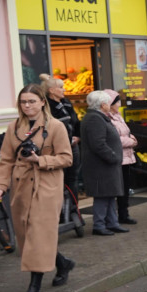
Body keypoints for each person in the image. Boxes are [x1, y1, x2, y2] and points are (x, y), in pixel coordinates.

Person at [0, 84, 75, 292]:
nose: (27, 106)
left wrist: (40, 160)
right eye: (23, 102)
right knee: (31, 236)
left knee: (38, 233)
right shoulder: (13, 128)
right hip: (20, 188)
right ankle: (63, 263)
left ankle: (34, 288)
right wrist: (0, 185)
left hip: (46, 187)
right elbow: (7, 160)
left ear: (42, 102)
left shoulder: (55, 126)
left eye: (31, 101)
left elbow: (67, 159)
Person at [80, 91, 127, 236]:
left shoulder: (98, 117)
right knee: (102, 196)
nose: (110, 105)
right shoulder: (95, 119)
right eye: (108, 102)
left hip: (106, 165)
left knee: (110, 194)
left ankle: (112, 223)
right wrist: (113, 157)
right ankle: (99, 225)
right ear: (102, 105)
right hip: (100, 166)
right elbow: (98, 144)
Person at [40, 74, 81, 202]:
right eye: (61, 87)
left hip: (73, 145)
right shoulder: (46, 106)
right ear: (51, 90)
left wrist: (77, 136)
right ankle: (62, 211)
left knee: (73, 178)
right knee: (59, 178)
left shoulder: (66, 103)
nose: (64, 90)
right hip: (57, 148)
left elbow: (75, 120)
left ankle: (74, 209)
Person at [105, 91, 138, 225]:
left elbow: (126, 133)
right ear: (111, 104)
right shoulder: (107, 118)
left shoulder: (118, 116)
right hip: (118, 158)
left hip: (127, 157)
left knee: (125, 188)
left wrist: (131, 138)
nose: (119, 104)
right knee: (117, 188)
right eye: (117, 102)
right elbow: (114, 139)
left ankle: (124, 214)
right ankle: (114, 217)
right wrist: (131, 142)